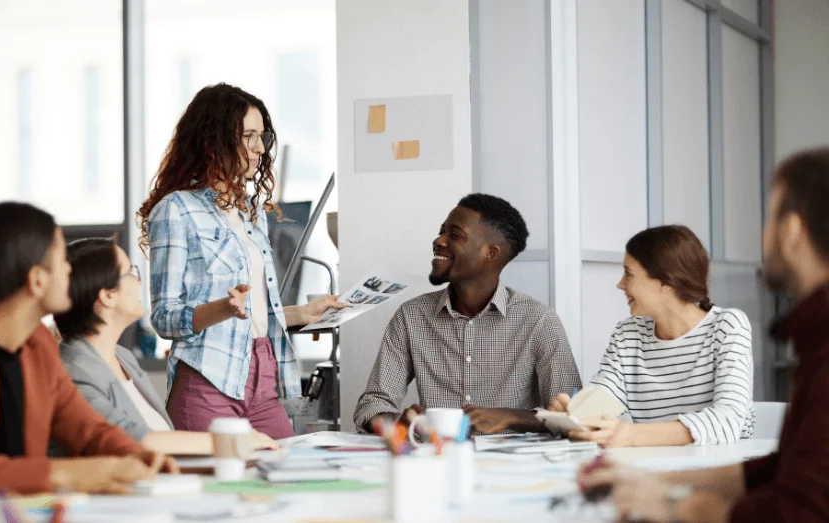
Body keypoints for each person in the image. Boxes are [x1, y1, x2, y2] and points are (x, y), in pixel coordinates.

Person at [577, 148, 829, 522]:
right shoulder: (814, 339)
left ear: (790, 230)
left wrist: (673, 503)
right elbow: (782, 471)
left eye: (769, 218)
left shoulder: (798, 341)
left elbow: (800, 509)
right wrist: (664, 481)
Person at [0, 202, 177, 500]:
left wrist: (137, 456)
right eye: (62, 261)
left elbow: (87, 428)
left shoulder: (38, 348)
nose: (70, 270)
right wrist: (67, 474)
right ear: (36, 280)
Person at [138, 83, 344, 439]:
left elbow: (253, 312)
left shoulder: (251, 213)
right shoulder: (175, 210)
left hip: (263, 378)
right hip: (208, 381)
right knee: (219, 491)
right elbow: (164, 317)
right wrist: (221, 308)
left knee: (284, 479)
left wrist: (300, 314)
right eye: (248, 136)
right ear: (212, 139)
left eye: (262, 136)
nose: (260, 148)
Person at [353, 193, 582, 434]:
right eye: (442, 231)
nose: (439, 241)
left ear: (490, 253)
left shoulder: (539, 320)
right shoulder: (411, 316)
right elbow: (372, 405)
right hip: (437, 459)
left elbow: (573, 416)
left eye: (454, 235)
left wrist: (512, 418)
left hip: (512, 467)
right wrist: (399, 421)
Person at [53, 237, 279, 455]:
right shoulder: (72, 372)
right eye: (131, 273)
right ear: (107, 296)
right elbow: (135, 440)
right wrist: (234, 443)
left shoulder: (122, 357)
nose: (139, 280)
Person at [548, 225, 755, 446]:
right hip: (652, 471)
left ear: (666, 281)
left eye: (628, 274)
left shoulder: (727, 326)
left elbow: (729, 419)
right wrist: (575, 414)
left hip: (720, 473)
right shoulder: (628, 335)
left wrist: (629, 435)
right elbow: (603, 399)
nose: (620, 284)